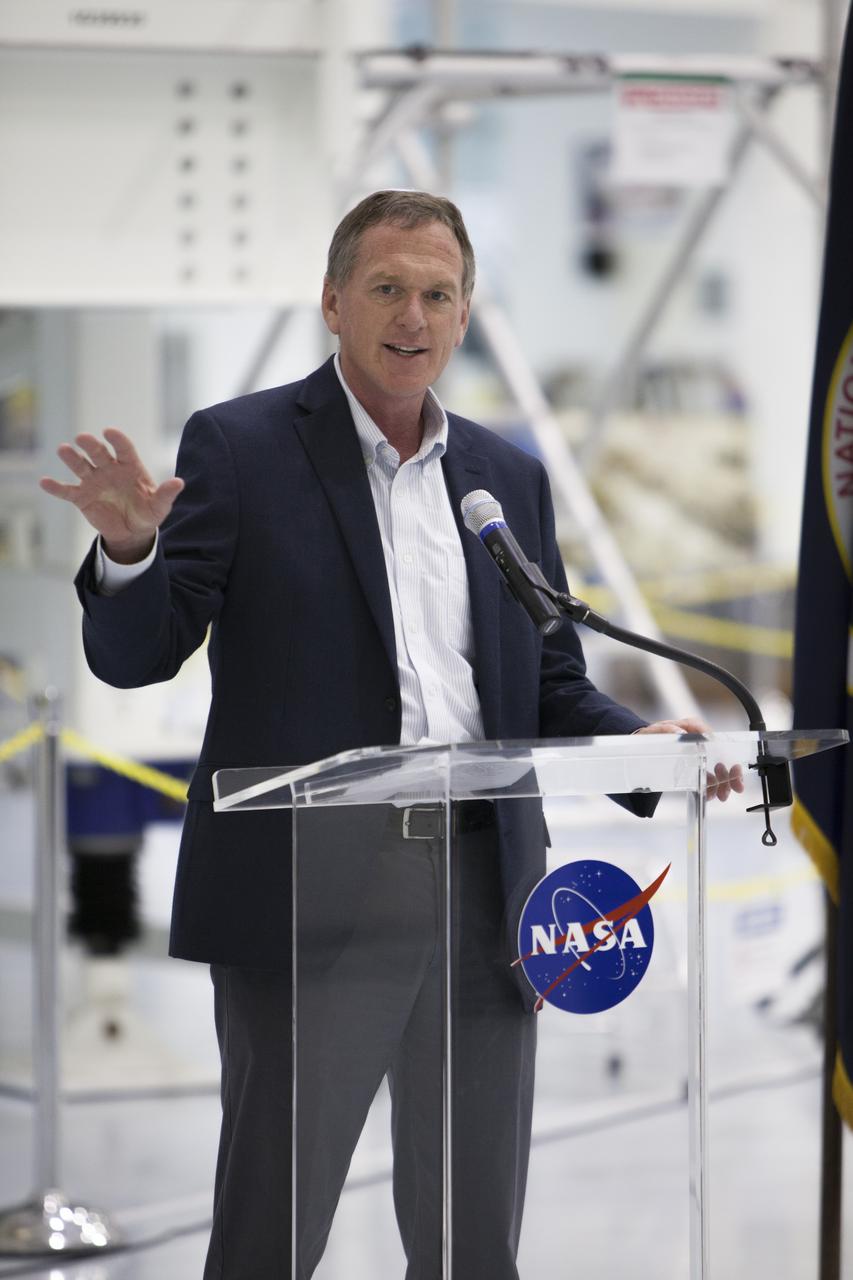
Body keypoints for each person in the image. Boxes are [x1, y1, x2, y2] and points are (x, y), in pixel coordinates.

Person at [41, 190, 742, 1279]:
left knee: (471, 1239)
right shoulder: (242, 447)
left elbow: (546, 675)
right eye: (385, 288)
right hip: (308, 893)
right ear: (332, 301)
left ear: (464, 315)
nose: (412, 315)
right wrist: (133, 556)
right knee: (272, 1230)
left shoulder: (506, 478)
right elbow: (137, 655)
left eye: (437, 293)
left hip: (485, 885)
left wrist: (645, 743)